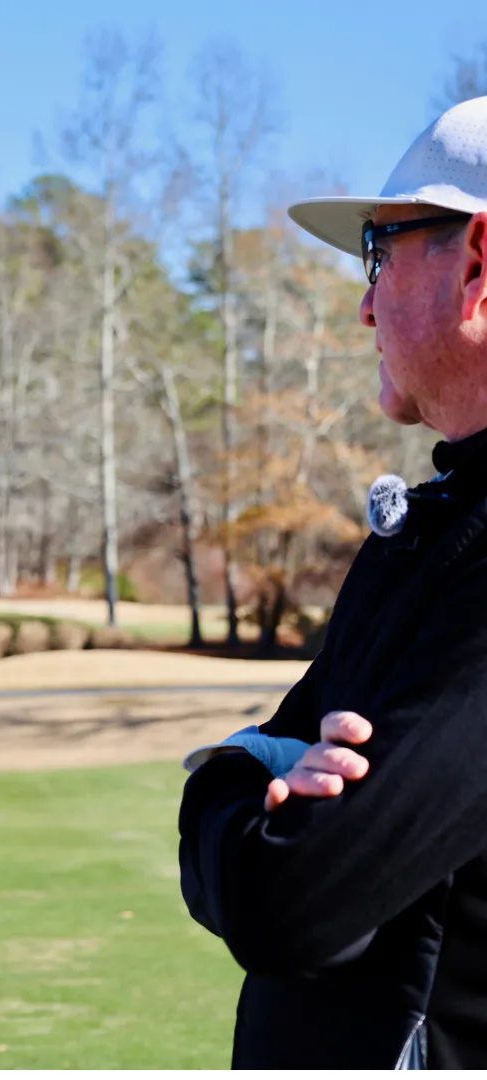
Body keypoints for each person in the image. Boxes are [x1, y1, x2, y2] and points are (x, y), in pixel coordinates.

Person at [179, 94, 487, 1070]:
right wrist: (247, 781)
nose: (363, 302)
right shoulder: (434, 531)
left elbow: (295, 903)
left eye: (378, 251)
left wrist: (234, 780)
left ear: (478, 264)